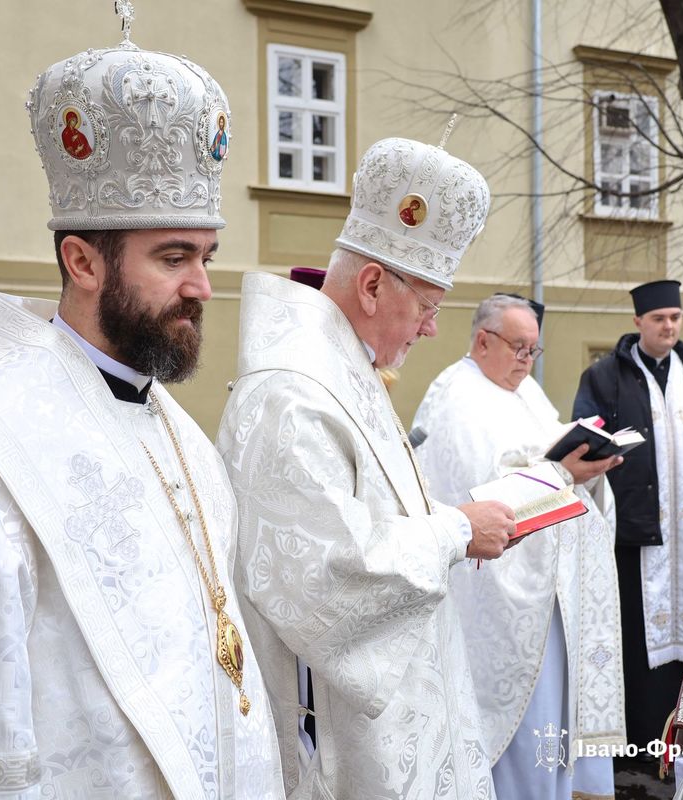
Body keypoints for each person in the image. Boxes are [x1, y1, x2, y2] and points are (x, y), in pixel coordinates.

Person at [0, 15, 284, 799]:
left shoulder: (185, 439)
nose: (202, 286)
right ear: (83, 261)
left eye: (206, 257)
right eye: (173, 257)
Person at [217, 136, 515, 799]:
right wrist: (455, 531)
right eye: (430, 306)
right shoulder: (290, 394)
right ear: (375, 284)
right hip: (347, 750)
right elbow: (323, 575)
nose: (433, 328)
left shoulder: (348, 370)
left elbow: (367, 517)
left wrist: (444, 519)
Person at [412, 294, 625, 800]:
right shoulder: (456, 400)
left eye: (534, 350)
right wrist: (561, 473)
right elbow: (477, 494)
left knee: (554, 710)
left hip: (551, 592)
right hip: (500, 604)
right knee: (526, 723)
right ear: (483, 341)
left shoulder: (522, 391)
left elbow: (550, 449)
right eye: (519, 348)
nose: (527, 361)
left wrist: (588, 472)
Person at [571, 279, 683, 752]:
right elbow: (587, 437)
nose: (668, 326)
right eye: (659, 318)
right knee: (636, 633)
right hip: (634, 527)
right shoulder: (605, 375)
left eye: (675, 318)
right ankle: (642, 736)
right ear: (638, 322)